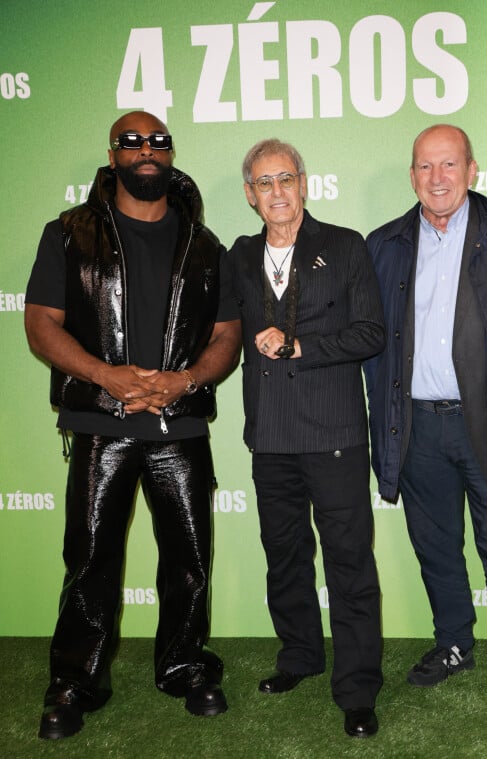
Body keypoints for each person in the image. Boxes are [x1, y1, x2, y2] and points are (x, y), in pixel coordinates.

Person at [25, 111, 241, 740]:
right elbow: (41, 323)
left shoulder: (205, 246)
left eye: (158, 142)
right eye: (133, 141)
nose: (147, 151)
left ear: (171, 154)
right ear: (113, 152)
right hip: (100, 420)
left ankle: (184, 666)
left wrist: (187, 380)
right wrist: (104, 375)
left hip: (179, 426)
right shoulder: (69, 233)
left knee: (190, 560)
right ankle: (74, 681)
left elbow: (227, 334)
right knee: (90, 560)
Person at [364, 124, 487, 729]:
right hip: (417, 426)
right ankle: (454, 642)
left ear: (472, 170)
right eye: (426, 167)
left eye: (449, 165)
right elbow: (367, 339)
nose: (438, 178)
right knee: (435, 547)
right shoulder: (386, 244)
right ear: (412, 175)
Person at [226, 138, 385, 738]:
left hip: (336, 435)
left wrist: (302, 347)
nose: (277, 192)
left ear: (304, 184)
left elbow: (372, 331)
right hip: (270, 436)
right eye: (263, 183)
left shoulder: (344, 246)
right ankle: (299, 656)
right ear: (250, 195)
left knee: (348, 562)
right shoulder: (238, 257)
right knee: (284, 556)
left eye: (285, 178)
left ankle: (358, 688)